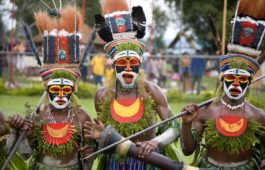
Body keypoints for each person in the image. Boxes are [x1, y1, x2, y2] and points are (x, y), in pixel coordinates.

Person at [84, 0, 180, 169]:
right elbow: (103, 134)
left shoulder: (152, 90)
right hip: (115, 163)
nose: (128, 68)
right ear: (114, 66)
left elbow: (174, 128)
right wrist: (93, 146)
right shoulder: (102, 94)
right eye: (122, 62)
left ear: (139, 65)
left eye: (133, 63)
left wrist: (154, 142)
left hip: (148, 162)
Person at [180, 0, 265, 169]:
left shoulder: (258, 116)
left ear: (248, 83)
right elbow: (187, 150)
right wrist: (186, 123)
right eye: (231, 77)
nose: (235, 83)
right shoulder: (206, 111)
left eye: (241, 80)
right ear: (223, 78)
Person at [10, 6, 96, 169]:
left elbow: (89, 161)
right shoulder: (38, 116)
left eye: (66, 90)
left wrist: (90, 154)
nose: (61, 95)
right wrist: (20, 131)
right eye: (55, 90)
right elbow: (25, 154)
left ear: (73, 90)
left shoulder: (82, 118)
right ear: (47, 89)